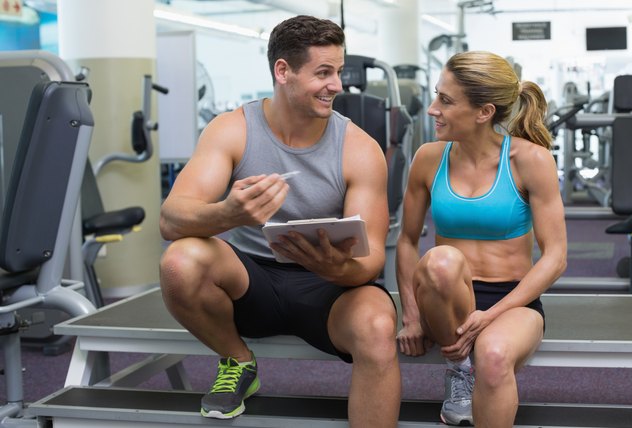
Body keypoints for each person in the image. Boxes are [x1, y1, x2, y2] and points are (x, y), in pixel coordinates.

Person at [159, 15, 401, 426]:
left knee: (379, 326)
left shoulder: (359, 148)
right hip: (248, 283)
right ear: (282, 71)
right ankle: (238, 360)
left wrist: (339, 267)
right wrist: (227, 213)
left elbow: (373, 257)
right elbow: (171, 219)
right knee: (180, 261)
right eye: (323, 72)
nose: (337, 86)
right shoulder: (232, 130)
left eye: (338, 72)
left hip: (329, 288)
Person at [395, 51, 567, 427]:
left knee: (493, 356)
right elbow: (407, 241)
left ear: (484, 112)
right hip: (444, 298)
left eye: (446, 100)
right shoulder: (428, 158)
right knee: (442, 260)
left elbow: (555, 257)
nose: (432, 109)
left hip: (511, 300)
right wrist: (410, 315)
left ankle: (473, 365)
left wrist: (491, 315)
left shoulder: (530, 160)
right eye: (437, 95)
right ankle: (459, 368)